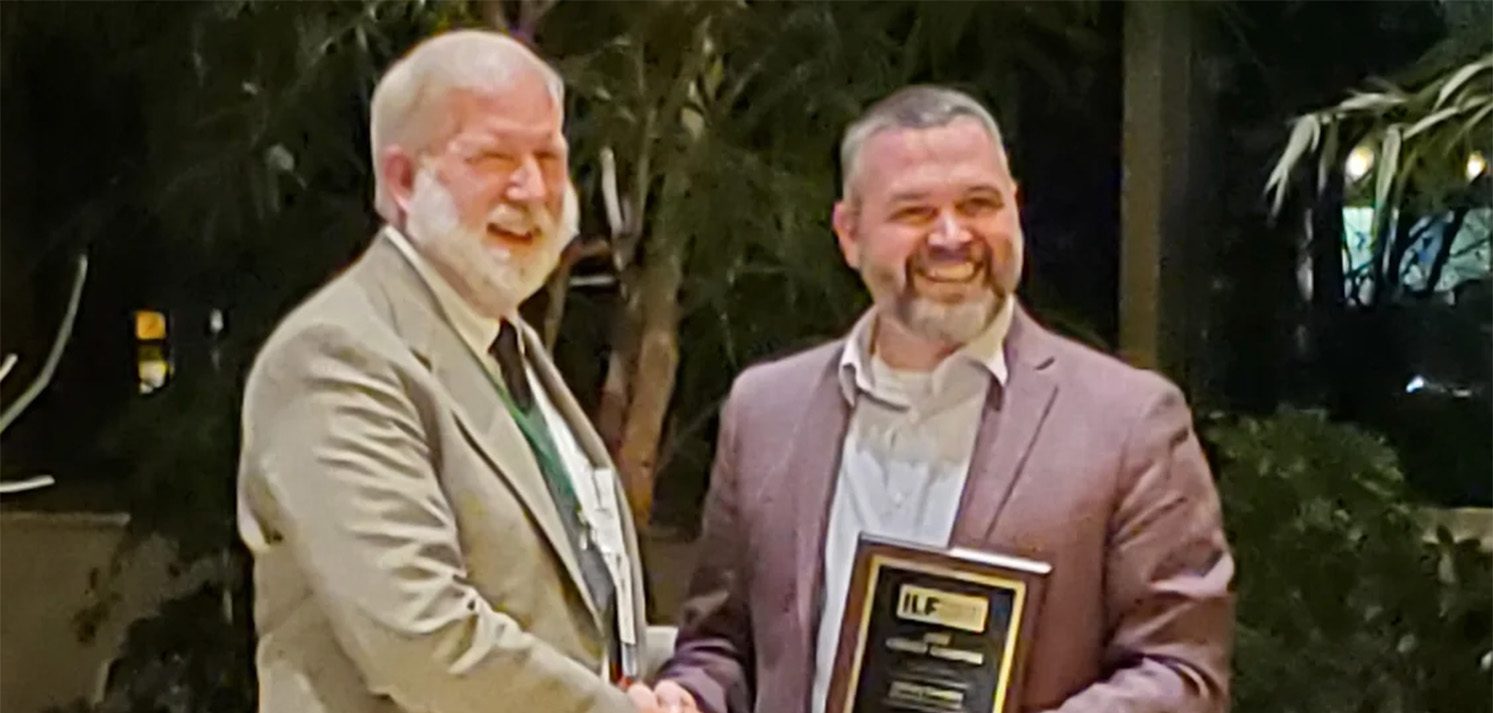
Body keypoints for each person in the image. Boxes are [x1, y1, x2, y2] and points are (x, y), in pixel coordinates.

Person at [644, 85, 1235, 713]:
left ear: (1015, 208)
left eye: (979, 204)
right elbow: (722, 647)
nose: (952, 237)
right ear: (850, 233)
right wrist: (687, 696)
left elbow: (1181, 673)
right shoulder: (764, 410)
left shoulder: (1130, 423)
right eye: (915, 212)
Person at [237, 30, 662, 713]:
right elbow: (422, 641)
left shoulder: (504, 340)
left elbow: (575, 627)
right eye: (493, 157)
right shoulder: (336, 356)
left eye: (548, 156)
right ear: (402, 180)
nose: (531, 189)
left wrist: (700, 673)